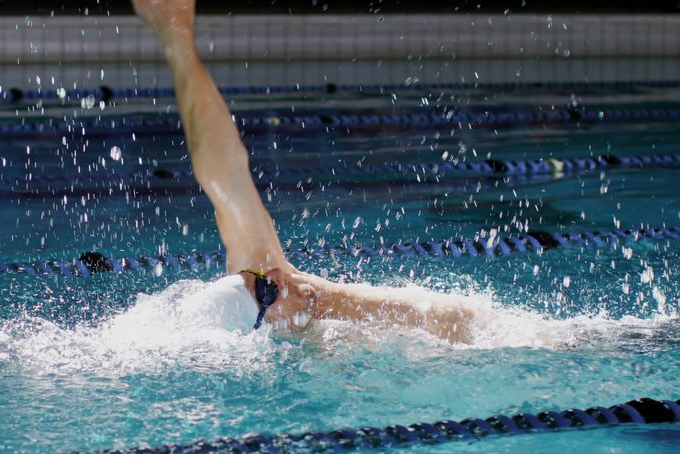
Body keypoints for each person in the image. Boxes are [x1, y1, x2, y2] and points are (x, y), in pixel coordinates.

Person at [132, 0, 477, 344]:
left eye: (257, 274)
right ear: (262, 329)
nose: (276, 275)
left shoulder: (273, 277)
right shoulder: (319, 349)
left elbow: (224, 172)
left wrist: (178, 38)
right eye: (265, 290)